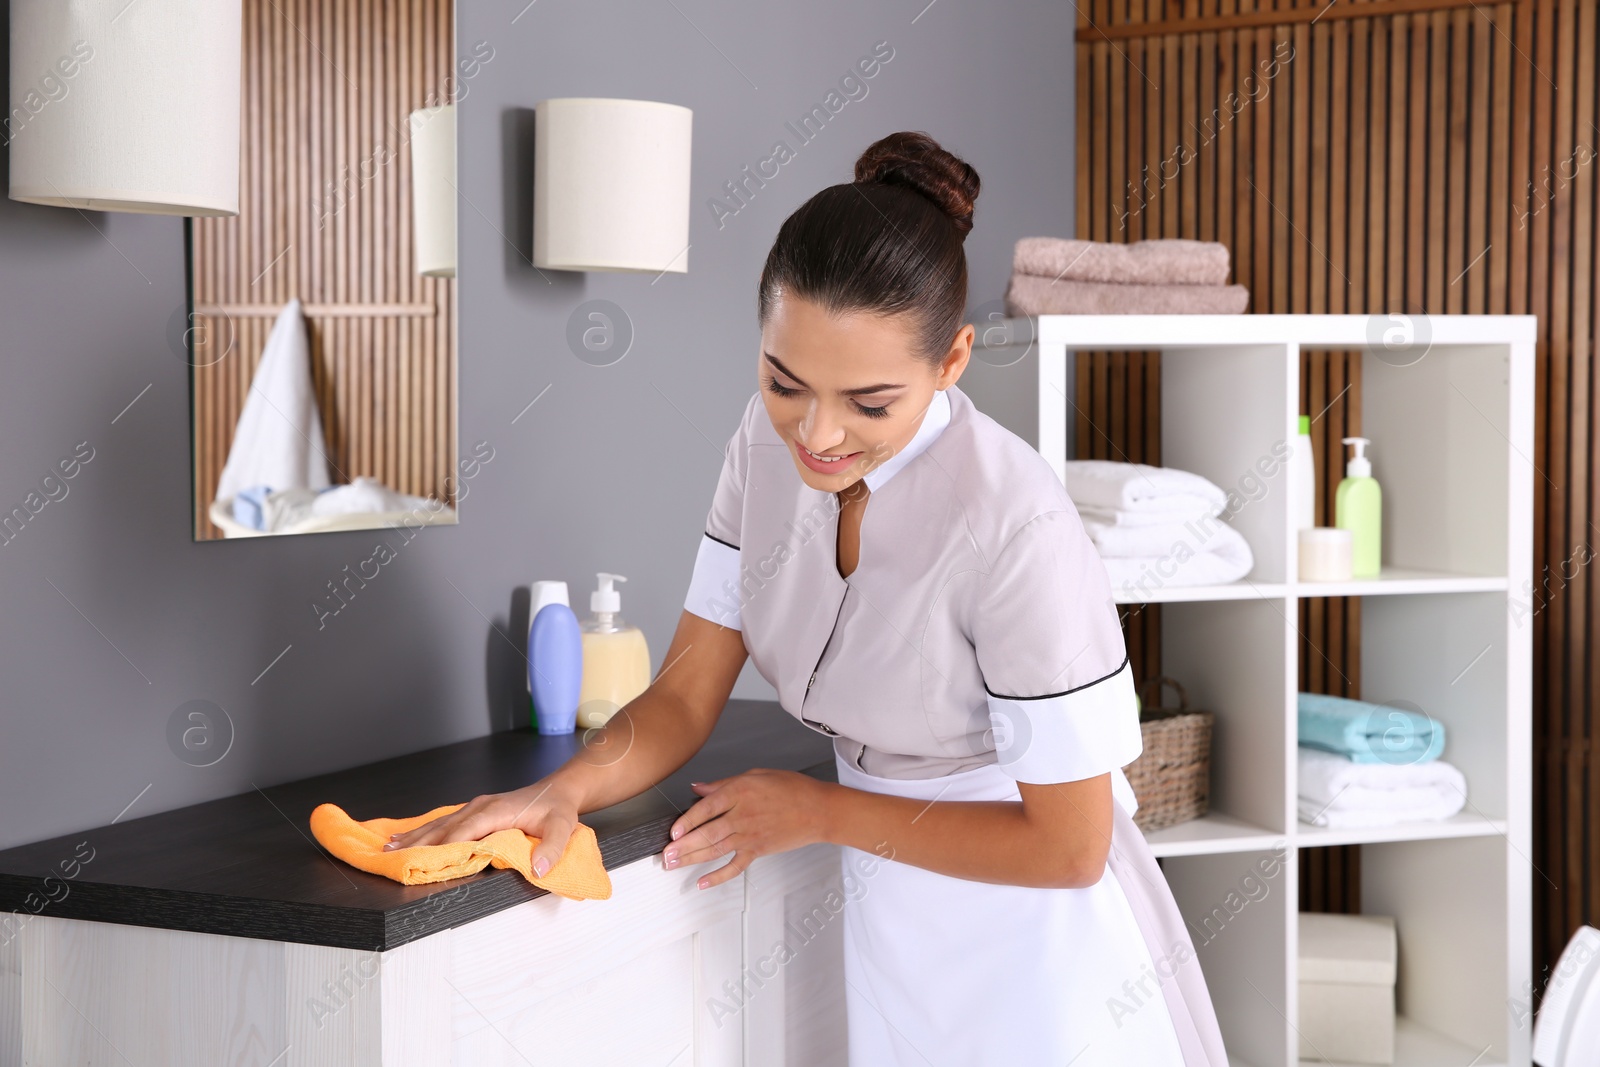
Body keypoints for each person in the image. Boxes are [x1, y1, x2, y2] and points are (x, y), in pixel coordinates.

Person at [385, 130, 1229, 1066]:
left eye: (870, 403)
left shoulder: (1013, 524)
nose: (817, 433)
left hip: (1047, 959)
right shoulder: (764, 444)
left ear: (953, 359)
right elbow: (684, 691)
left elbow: (1068, 847)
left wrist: (821, 811)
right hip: (896, 910)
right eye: (786, 382)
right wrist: (559, 791)